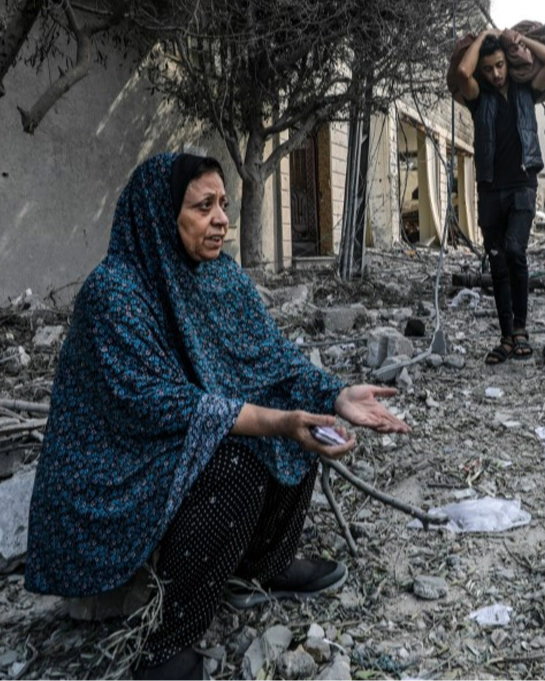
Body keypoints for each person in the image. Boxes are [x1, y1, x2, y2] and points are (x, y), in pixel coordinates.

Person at [24, 153, 410, 681]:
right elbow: (156, 405)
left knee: (305, 428)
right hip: (117, 470)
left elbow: (272, 359)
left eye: (223, 205)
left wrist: (335, 394)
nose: (222, 220)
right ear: (161, 213)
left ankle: (266, 564)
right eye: (204, 206)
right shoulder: (115, 292)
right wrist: (274, 421)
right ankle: (168, 644)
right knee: (238, 464)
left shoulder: (219, 277)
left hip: (180, 441)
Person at [453, 29, 545, 364]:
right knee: (498, 262)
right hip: (489, 189)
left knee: (515, 250)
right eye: (489, 69)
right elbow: (460, 73)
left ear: (507, 63)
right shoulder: (477, 97)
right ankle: (505, 337)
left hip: (522, 185)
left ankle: (521, 330)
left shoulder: (528, 90)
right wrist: (485, 34)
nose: (496, 74)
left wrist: (518, 41)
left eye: (500, 65)